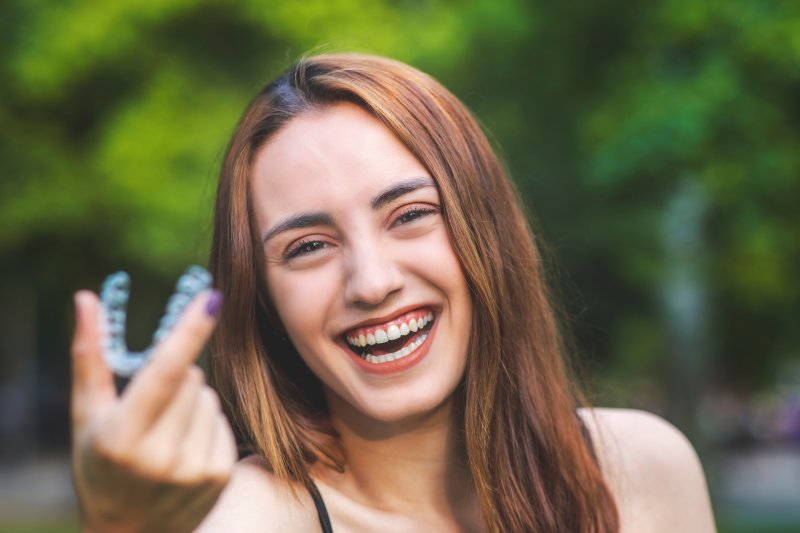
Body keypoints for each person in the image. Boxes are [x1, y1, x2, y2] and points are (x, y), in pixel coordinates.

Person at [70, 53, 717, 532]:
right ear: (261, 300)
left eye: (409, 214)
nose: (373, 282)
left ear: (485, 228)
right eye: (308, 247)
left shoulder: (645, 472)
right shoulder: (246, 517)